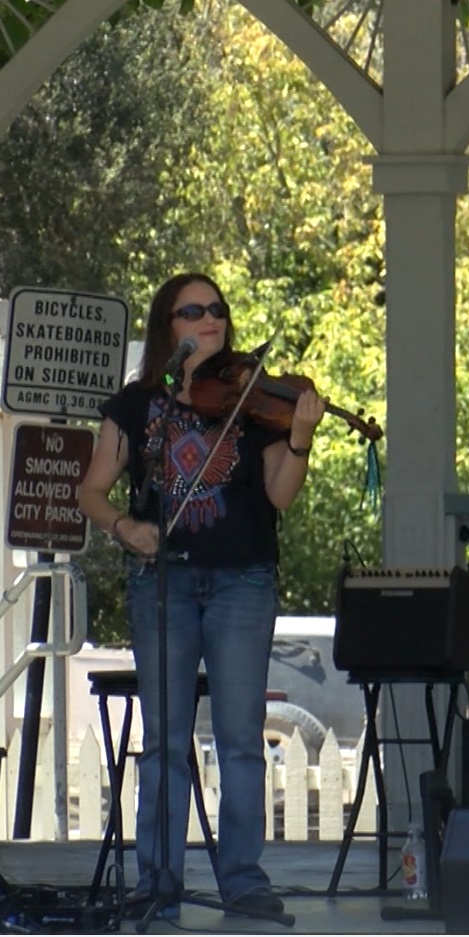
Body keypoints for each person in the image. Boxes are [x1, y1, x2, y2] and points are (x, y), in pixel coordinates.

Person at [77, 272, 324, 919]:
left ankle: (242, 877)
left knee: (241, 735)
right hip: (165, 582)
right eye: (195, 310)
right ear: (170, 326)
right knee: (164, 738)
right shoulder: (137, 404)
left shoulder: (254, 399)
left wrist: (299, 437)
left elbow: (280, 495)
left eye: (217, 309)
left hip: (242, 579)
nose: (210, 318)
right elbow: (92, 490)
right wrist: (125, 527)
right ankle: (160, 878)